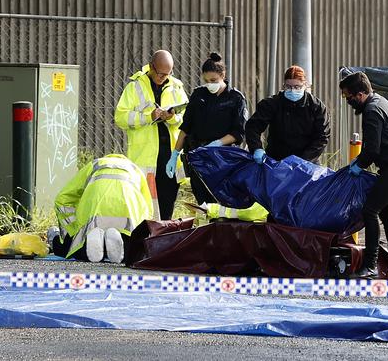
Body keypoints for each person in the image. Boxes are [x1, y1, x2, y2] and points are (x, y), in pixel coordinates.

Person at [339, 72, 388, 278]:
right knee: (387, 214)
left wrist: (358, 165)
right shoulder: (381, 101)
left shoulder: (372, 111)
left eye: (349, 97)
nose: (348, 101)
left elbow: (372, 149)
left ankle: (370, 265)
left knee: (370, 210)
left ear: (360, 94)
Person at [114, 50, 189, 220]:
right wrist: (149, 117)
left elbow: (186, 118)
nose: (163, 77)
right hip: (145, 158)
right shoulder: (135, 86)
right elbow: (120, 117)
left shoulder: (176, 86)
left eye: (167, 74)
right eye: (161, 74)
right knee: (144, 208)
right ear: (152, 67)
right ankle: (145, 242)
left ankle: (163, 241)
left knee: (167, 205)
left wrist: (172, 117)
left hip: (170, 156)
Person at [166, 52, 248, 204]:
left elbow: (238, 132)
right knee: (202, 200)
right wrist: (175, 154)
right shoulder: (198, 95)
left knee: (220, 199)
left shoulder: (235, 98)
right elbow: (186, 128)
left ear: (222, 75)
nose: (210, 84)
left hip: (222, 157)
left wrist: (217, 143)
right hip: (198, 155)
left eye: (214, 80)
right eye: (206, 81)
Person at [53, 154, 153, 263]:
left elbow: (62, 199)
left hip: (93, 221)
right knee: (130, 252)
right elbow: (148, 210)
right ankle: (119, 250)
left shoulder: (94, 165)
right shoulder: (136, 170)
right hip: (127, 223)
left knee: (78, 250)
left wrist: (74, 229)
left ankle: (91, 244)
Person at [245, 65, 330, 164]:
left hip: (307, 163)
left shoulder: (317, 107)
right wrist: (257, 149)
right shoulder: (271, 104)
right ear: (283, 85)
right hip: (276, 160)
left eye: (297, 87)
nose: (292, 90)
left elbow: (322, 137)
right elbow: (253, 127)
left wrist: (304, 160)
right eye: (288, 87)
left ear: (305, 85)